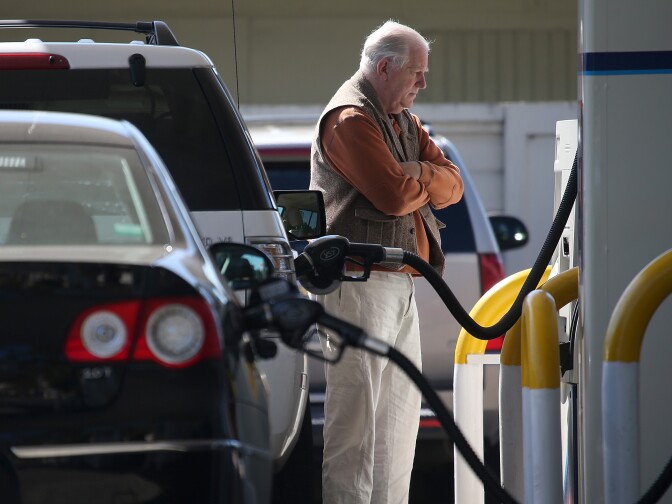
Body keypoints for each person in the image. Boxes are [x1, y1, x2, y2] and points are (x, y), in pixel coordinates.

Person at [309, 20, 465, 504]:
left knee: (398, 423)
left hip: (398, 284)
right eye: (416, 73)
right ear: (383, 67)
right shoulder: (351, 118)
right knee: (355, 425)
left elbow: (454, 185)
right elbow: (395, 198)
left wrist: (417, 170)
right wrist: (422, 179)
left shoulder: (403, 121)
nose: (423, 84)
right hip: (359, 285)